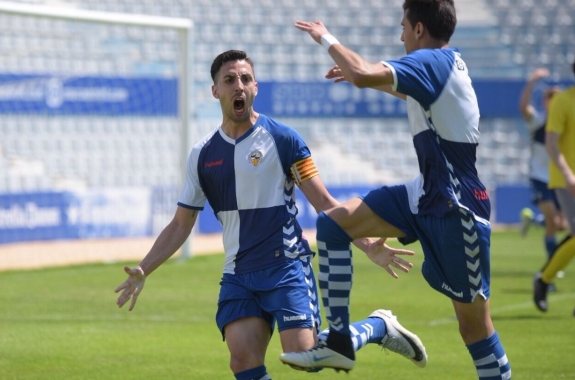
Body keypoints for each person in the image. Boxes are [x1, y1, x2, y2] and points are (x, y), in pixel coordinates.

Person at [114, 50, 427, 380]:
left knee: (305, 356)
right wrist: (144, 269)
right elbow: (181, 223)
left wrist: (367, 245)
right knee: (242, 361)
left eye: (246, 79)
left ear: (256, 87)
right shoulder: (202, 154)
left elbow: (325, 202)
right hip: (238, 273)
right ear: (215, 91)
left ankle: (379, 326)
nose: (239, 86)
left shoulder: (284, 139)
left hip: (285, 266)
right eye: (230, 80)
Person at [282, 1, 512, 379]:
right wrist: (365, 77)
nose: (400, 34)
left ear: (419, 29)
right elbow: (406, 93)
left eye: (404, 25)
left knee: (474, 327)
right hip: (424, 195)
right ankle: (339, 343)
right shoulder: (440, 67)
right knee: (333, 226)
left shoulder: (432, 61)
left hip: (457, 209)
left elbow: (362, 72)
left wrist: (325, 37)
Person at [533, 59, 575, 316]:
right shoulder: (563, 101)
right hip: (566, 180)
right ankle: (544, 279)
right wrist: (569, 174)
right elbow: (551, 144)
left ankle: (544, 280)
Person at [518, 68, 565, 262]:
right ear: (545, 103)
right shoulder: (538, 122)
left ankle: (535, 221)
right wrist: (532, 81)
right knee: (554, 222)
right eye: (550, 98)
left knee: (561, 225)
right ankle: (551, 270)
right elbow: (523, 107)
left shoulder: (565, 125)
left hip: (558, 178)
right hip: (540, 177)